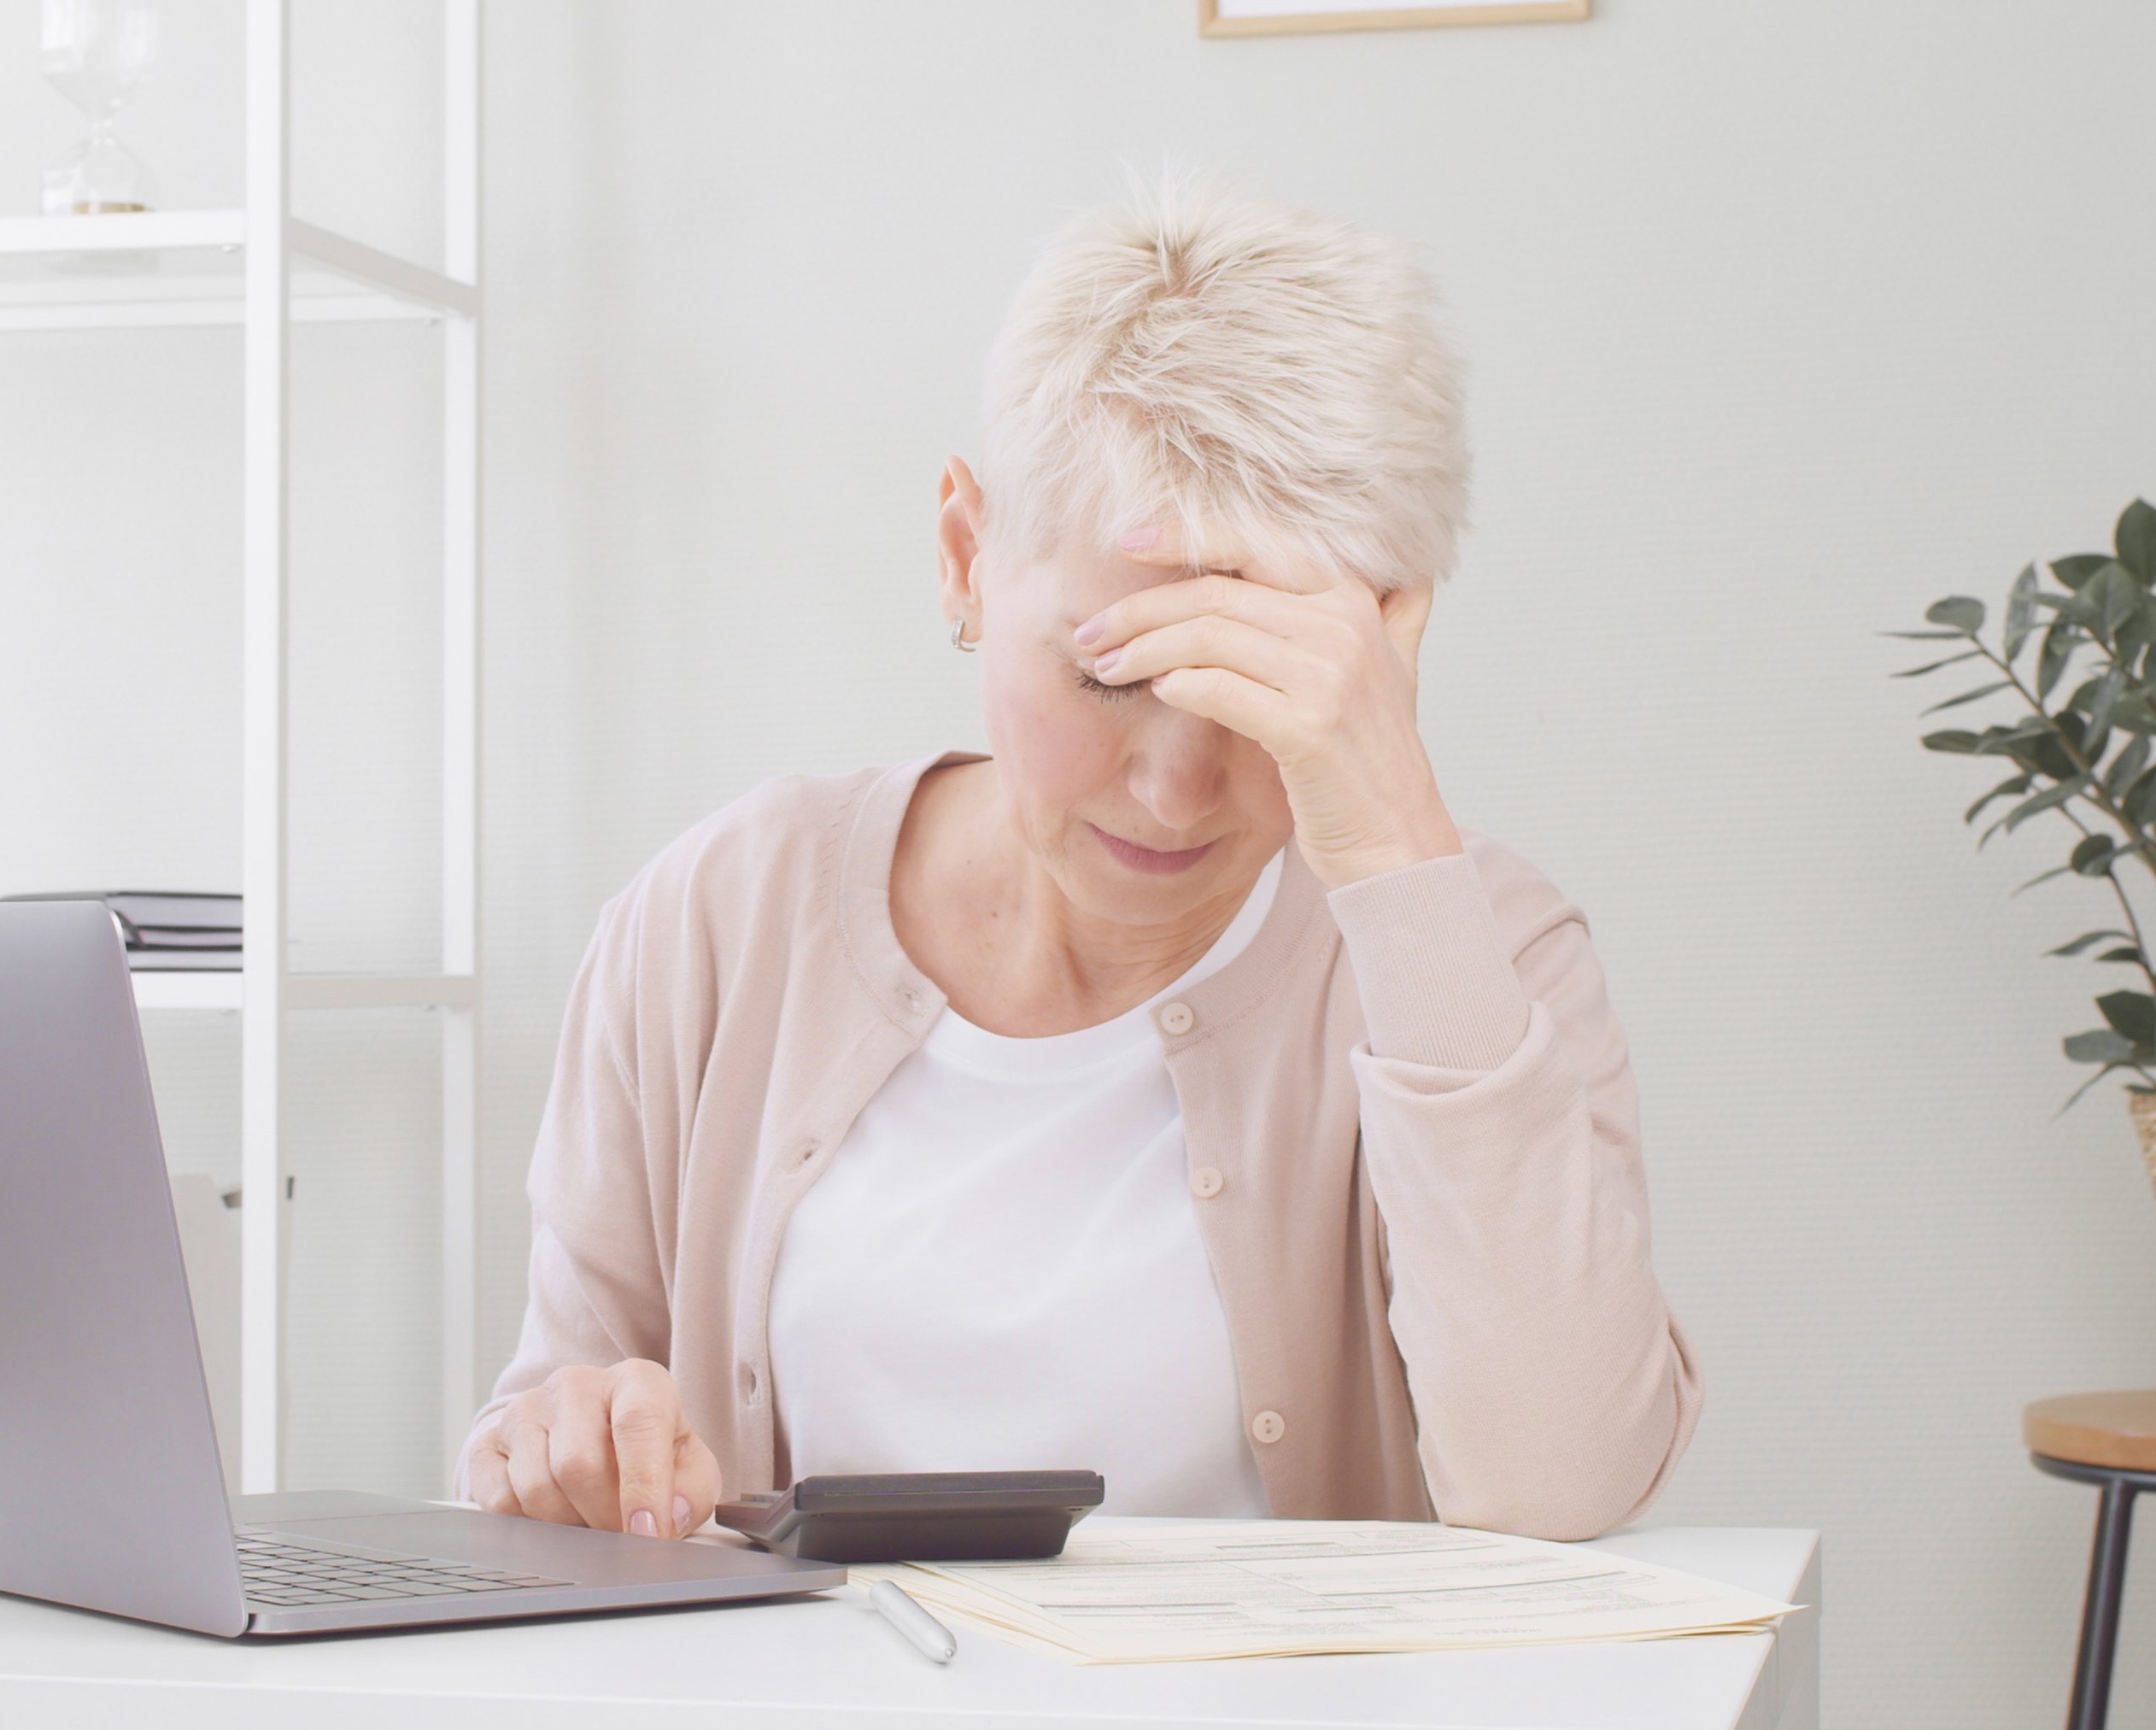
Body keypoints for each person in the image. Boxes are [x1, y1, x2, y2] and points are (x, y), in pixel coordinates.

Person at [459, 179, 1697, 1545]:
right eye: (1109, 676)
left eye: (1256, 695)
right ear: (964, 557)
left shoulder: (1485, 956)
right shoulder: (717, 917)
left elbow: (1562, 1493)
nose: (1175, 787)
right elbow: (558, 1433)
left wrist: (1395, 838)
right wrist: (559, 1446)